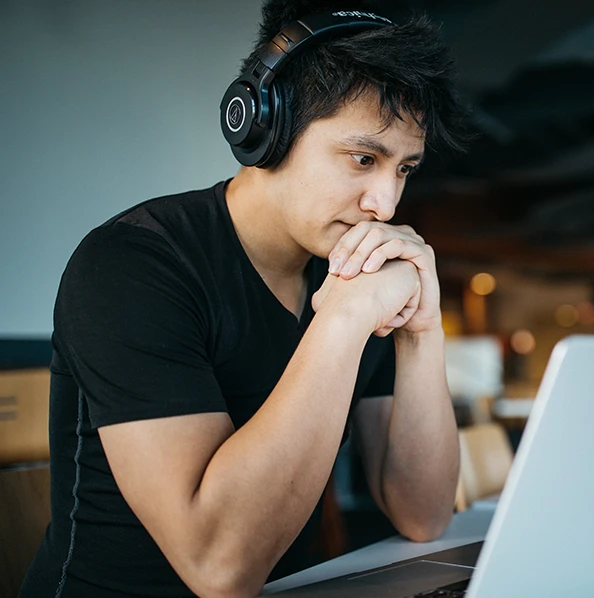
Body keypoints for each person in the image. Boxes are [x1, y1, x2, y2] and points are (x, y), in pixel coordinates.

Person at [20, 1, 472, 596]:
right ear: (267, 127)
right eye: (363, 159)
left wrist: (422, 331)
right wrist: (343, 321)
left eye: (404, 170)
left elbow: (423, 514)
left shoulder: (351, 270)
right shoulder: (131, 265)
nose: (384, 205)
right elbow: (219, 567)